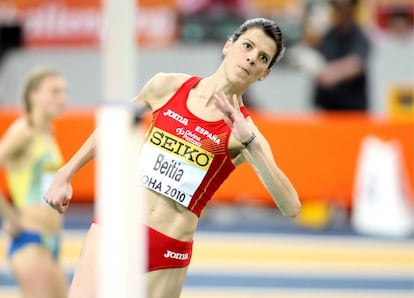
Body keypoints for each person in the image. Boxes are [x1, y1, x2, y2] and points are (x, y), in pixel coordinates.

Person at [44, 17, 301, 298]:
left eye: (263, 58)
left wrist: (250, 143)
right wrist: (66, 173)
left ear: (264, 73)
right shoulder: (166, 87)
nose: (251, 58)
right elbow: (114, 126)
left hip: (166, 249)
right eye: (247, 46)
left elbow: (291, 207)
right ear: (229, 45)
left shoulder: (245, 133)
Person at [0, 66, 68, 298]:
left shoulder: (48, 131)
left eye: (63, 92)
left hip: (52, 240)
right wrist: (9, 216)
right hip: (30, 238)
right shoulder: (24, 131)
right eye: (54, 92)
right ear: (33, 95)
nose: (62, 98)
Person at [312, 0, 371, 111]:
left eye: (344, 5)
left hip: (352, 110)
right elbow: (318, 61)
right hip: (327, 107)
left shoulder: (358, 36)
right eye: (336, 6)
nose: (340, 10)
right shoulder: (329, 35)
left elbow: (356, 64)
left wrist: (332, 73)